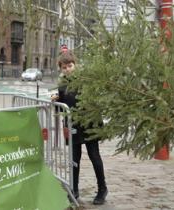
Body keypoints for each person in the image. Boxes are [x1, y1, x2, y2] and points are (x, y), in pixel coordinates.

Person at [51, 53, 108, 205]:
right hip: (72, 124)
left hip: (89, 123)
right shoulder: (62, 85)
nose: (68, 69)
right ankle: (74, 190)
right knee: (74, 159)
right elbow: (62, 106)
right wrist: (56, 102)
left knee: (94, 155)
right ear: (61, 69)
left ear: (75, 65)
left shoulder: (86, 80)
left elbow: (95, 100)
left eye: (70, 66)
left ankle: (102, 189)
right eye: (64, 67)